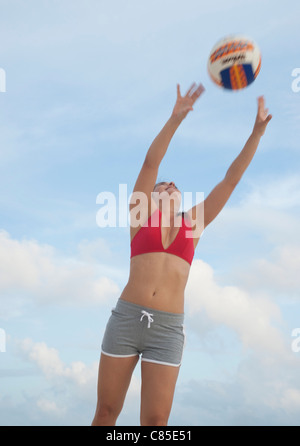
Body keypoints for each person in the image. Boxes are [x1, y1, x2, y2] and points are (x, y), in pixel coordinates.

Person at [91, 82, 272, 426]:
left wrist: (257, 134)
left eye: (174, 185)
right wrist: (175, 119)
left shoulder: (194, 224)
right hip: (127, 319)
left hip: (168, 329)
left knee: (156, 423)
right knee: (106, 412)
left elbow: (230, 181)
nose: (169, 186)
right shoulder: (139, 216)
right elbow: (150, 163)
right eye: (162, 186)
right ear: (151, 196)